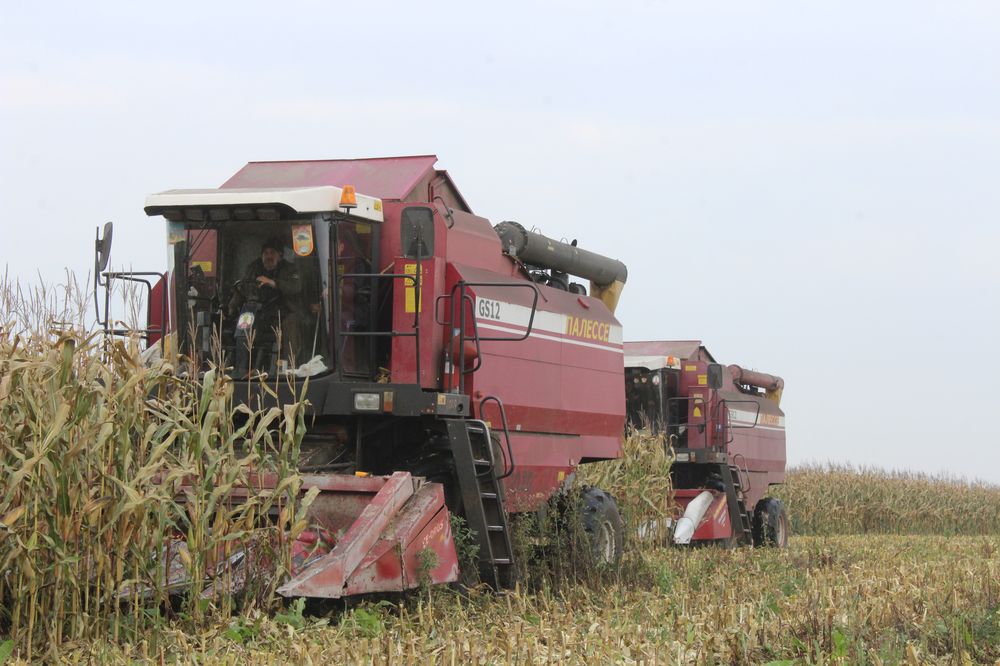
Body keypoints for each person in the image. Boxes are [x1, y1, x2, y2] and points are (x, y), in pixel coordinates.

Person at [229, 237, 303, 372]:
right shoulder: (253, 267)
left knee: (290, 324)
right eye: (266, 253)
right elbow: (242, 288)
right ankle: (240, 368)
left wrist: (273, 283)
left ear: (280, 255)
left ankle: (287, 368)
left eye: (272, 253)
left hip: (283, 312)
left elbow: (296, 287)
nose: (269, 256)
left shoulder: (290, 269)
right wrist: (231, 307)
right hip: (256, 312)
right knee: (240, 325)